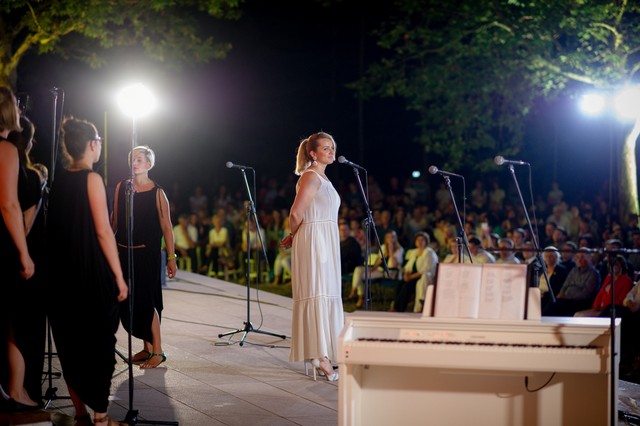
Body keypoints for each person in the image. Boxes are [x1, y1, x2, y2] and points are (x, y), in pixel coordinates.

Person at [45, 116, 128, 424]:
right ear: (93, 144)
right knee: (99, 345)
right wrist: (118, 276)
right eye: (100, 142)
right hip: (89, 275)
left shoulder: (59, 181)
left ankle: (81, 414)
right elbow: (104, 231)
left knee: (70, 346)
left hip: (61, 275)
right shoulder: (91, 179)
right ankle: (101, 416)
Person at [280, 131, 342, 381]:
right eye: (326, 148)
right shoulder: (310, 176)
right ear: (313, 153)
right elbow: (296, 213)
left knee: (326, 291)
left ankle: (323, 352)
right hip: (315, 239)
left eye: (332, 147)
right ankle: (319, 356)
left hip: (325, 238)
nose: (331, 151)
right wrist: (295, 235)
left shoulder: (323, 178)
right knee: (317, 292)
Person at [111, 145, 177, 369]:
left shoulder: (157, 193)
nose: (135, 163)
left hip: (146, 254)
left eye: (139, 159)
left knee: (146, 301)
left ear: (149, 164)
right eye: (132, 159)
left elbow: (167, 227)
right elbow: (115, 220)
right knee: (129, 302)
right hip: (123, 252)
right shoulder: (122, 187)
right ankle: (147, 348)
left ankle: (158, 351)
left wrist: (171, 257)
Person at [0, 86, 37, 411]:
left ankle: (14, 389)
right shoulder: (6, 148)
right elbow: (9, 205)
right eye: (15, 104)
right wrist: (24, 254)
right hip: (3, 246)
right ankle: (15, 391)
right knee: (14, 320)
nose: (20, 109)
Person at [349, 230, 405, 308]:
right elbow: (379, 260)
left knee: (360, 276)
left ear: (395, 238)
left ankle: (360, 297)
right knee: (358, 269)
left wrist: (391, 251)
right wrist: (373, 268)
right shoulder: (383, 247)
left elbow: (393, 265)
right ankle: (354, 290)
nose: (390, 239)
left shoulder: (400, 249)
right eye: (388, 237)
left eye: (392, 237)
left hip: (390, 272)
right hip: (380, 269)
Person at [390, 231, 438, 313]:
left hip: (422, 277)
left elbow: (426, 269)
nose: (420, 242)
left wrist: (411, 277)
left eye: (422, 240)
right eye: (418, 240)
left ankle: (399, 309)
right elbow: (408, 266)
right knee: (399, 284)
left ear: (426, 241)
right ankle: (395, 307)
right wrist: (406, 275)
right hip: (412, 276)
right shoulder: (414, 252)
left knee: (407, 286)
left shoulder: (429, 253)